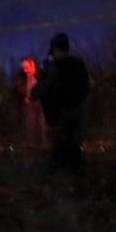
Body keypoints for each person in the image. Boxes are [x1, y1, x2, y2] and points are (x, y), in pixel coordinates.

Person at [30, 33, 90, 173]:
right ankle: (79, 182)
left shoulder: (54, 66)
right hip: (77, 113)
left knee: (59, 152)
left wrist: (36, 87)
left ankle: (58, 186)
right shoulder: (79, 64)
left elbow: (40, 90)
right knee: (74, 151)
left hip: (60, 116)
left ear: (56, 49)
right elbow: (86, 87)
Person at [13, 55, 44, 148]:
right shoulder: (21, 76)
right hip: (28, 103)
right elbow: (18, 90)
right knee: (30, 125)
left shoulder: (41, 74)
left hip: (41, 102)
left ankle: (44, 145)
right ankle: (31, 146)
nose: (24, 69)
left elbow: (45, 86)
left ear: (32, 64)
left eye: (26, 66)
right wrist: (22, 94)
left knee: (43, 124)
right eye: (23, 67)